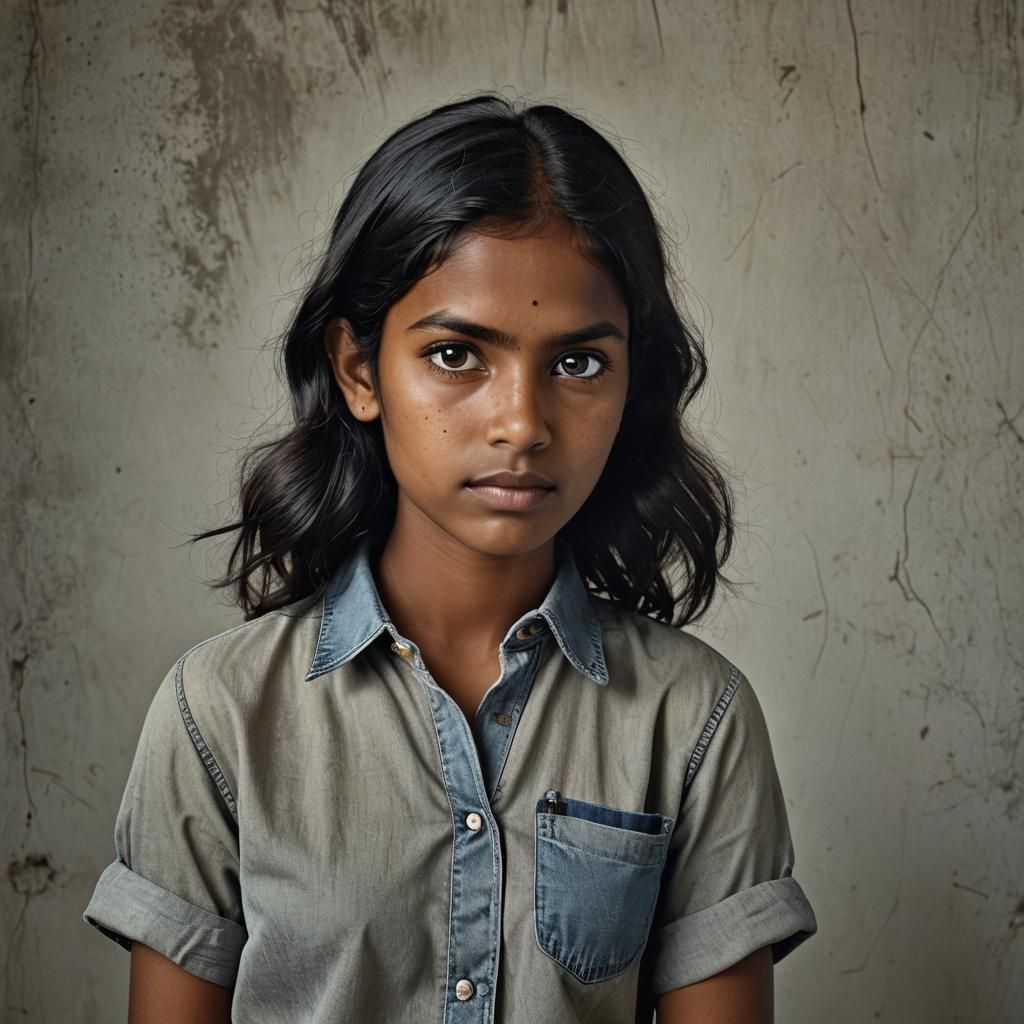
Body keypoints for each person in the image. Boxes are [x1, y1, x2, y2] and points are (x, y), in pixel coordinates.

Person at [82, 92, 817, 1023]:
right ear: (359, 370)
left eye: (579, 363)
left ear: (632, 381)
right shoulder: (221, 714)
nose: (522, 424)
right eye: (458, 354)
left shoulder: (694, 721)